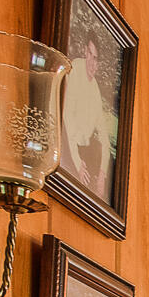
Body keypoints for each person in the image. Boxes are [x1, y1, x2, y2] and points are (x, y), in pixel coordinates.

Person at [60, 29, 116, 198]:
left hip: (84, 147)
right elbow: (68, 117)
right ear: (85, 51)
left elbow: (105, 138)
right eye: (90, 55)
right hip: (66, 141)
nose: (92, 63)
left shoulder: (95, 90)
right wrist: (77, 162)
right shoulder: (75, 69)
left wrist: (103, 174)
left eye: (96, 59)